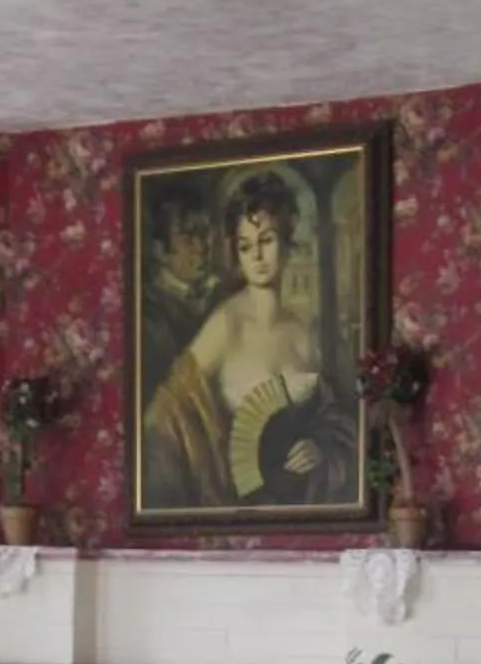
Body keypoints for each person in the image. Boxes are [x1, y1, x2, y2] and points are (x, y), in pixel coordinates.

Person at [140, 171, 359, 511]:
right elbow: (164, 415)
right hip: (232, 504)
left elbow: (335, 420)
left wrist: (319, 447)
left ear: (288, 242)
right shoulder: (226, 324)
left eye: (267, 240)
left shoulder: (303, 332)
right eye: (245, 246)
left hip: (297, 508)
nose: (256, 256)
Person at [137, 187, 220, 396]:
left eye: (205, 234)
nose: (202, 247)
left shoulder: (218, 296)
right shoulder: (149, 316)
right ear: (160, 251)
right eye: (188, 239)